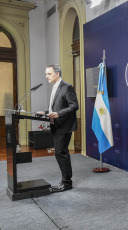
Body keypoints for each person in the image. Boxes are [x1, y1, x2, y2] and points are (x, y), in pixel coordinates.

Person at [37, 64, 79, 193]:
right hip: (57, 125)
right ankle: (67, 181)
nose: (46, 77)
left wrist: (58, 114)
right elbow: (56, 107)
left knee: (60, 153)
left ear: (57, 74)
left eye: (49, 74)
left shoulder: (67, 87)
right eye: (46, 74)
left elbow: (74, 105)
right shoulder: (55, 87)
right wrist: (45, 112)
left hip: (64, 125)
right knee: (62, 152)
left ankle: (66, 183)